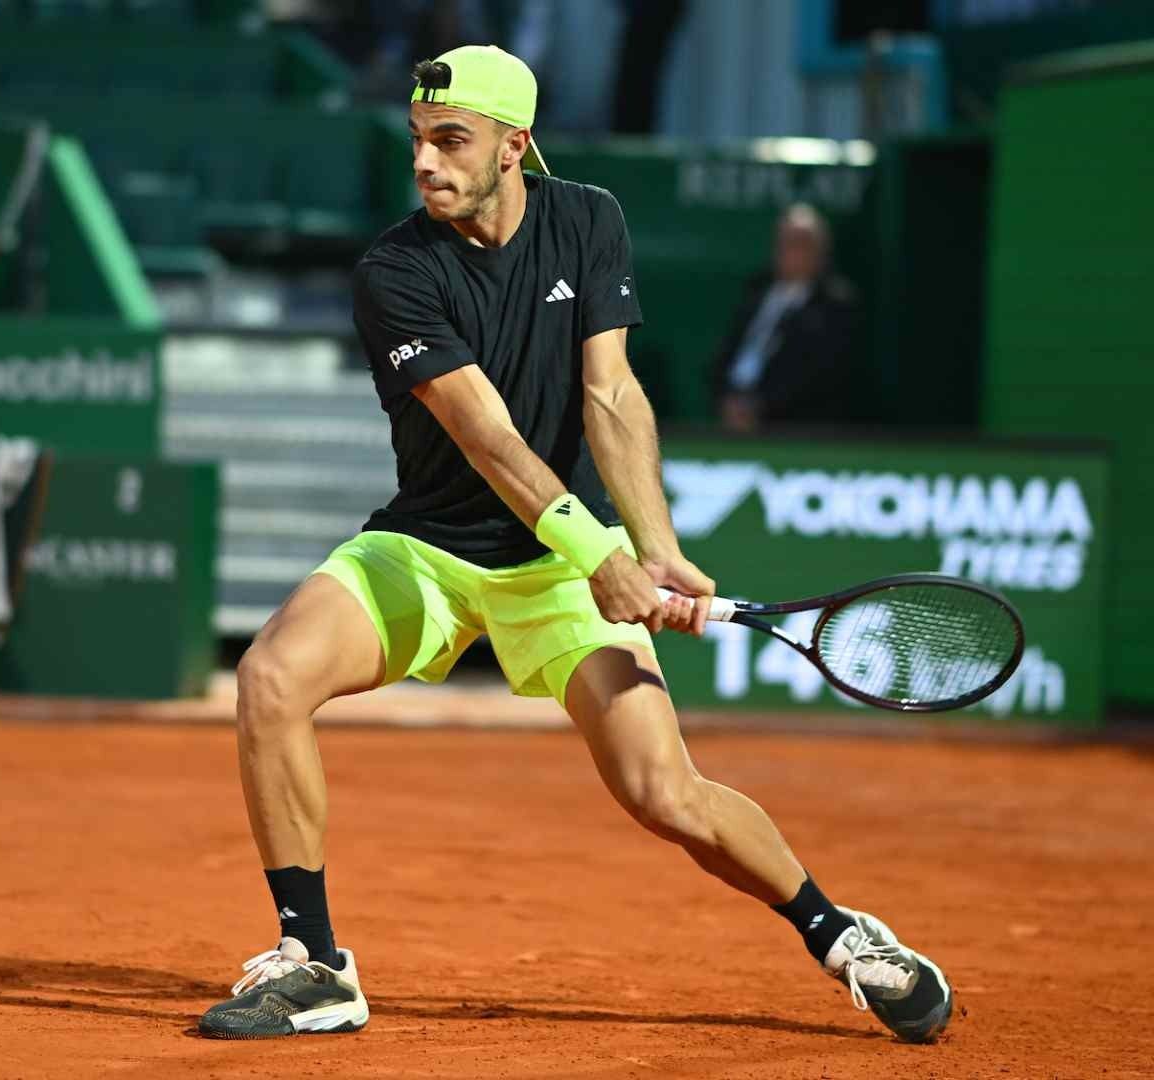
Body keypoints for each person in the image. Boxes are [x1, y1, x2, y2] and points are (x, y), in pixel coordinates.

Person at [196, 45, 952, 1044]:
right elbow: (487, 437)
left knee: (663, 793)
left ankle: (840, 935)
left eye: (451, 140)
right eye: (418, 139)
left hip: (555, 566)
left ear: (514, 145)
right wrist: (604, 556)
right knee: (271, 677)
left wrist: (656, 546)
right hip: (430, 548)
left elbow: (612, 393)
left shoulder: (588, 219)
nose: (425, 161)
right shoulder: (394, 269)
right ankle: (316, 963)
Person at [709, 204, 860, 432]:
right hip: (730, 413)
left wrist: (760, 407)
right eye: (784, 242)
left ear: (821, 251)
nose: (789, 251)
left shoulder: (836, 303)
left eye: (800, 243)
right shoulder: (757, 290)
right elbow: (725, 355)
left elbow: (820, 375)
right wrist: (726, 399)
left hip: (791, 426)